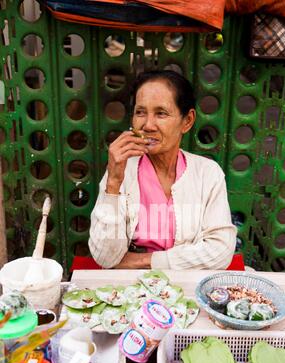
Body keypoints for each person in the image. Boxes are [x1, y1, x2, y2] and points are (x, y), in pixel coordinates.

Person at [89, 70, 237, 269]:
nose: (148, 125)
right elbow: (105, 258)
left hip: (183, 285)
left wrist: (142, 260)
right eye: (140, 112)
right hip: (130, 288)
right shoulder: (122, 170)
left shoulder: (207, 173)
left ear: (187, 121)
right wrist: (113, 183)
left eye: (161, 113)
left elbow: (220, 252)